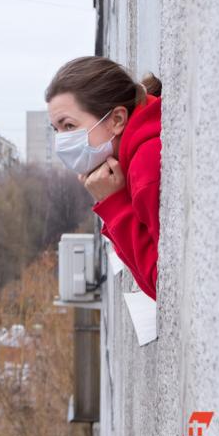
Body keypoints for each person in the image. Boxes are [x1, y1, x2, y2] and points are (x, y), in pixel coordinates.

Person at [44, 56, 162, 300]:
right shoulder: (133, 158)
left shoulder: (146, 167)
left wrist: (115, 205)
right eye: (56, 129)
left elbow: (162, 284)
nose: (61, 142)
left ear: (116, 120)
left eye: (68, 126)